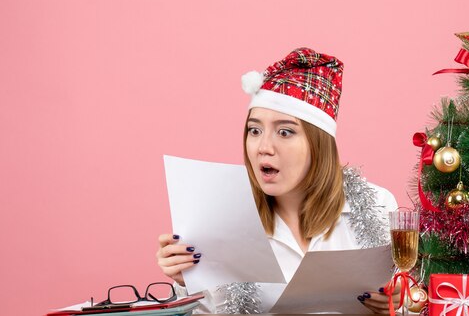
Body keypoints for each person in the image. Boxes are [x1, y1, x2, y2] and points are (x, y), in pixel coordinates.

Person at [156, 47, 400, 314]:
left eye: (284, 132)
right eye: (254, 130)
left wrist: (401, 303)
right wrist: (186, 282)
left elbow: (411, 298)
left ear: (318, 144)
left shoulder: (378, 205)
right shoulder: (219, 220)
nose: (263, 147)